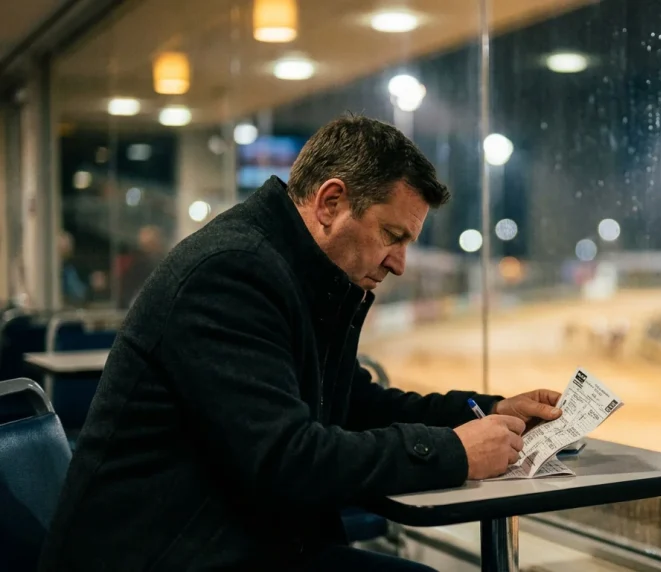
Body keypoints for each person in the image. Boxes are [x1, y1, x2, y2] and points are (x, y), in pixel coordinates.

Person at [38, 115, 562, 572]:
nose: (399, 263)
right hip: (159, 556)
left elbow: (352, 404)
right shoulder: (232, 273)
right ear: (331, 202)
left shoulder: (293, 273)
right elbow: (285, 458)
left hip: (225, 542)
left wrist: (485, 412)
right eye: (391, 235)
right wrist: (451, 453)